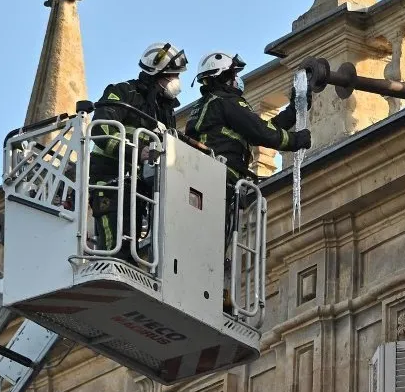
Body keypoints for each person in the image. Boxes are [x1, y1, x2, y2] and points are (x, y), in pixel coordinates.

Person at [186, 51, 312, 248]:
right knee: (216, 238)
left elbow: (259, 129)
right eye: (233, 74)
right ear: (224, 77)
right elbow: (260, 132)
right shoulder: (225, 102)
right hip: (222, 178)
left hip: (210, 178)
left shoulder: (210, 104)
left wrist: (292, 112)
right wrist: (296, 140)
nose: (236, 79)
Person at [89, 42, 188, 262]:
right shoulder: (124, 92)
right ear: (156, 75)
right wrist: (137, 151)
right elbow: (100, 130)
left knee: (133, 250)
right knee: (116, 250)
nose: (176, 81)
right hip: (110, 183)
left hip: (139, 187)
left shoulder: (164, 111)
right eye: (172, 75)